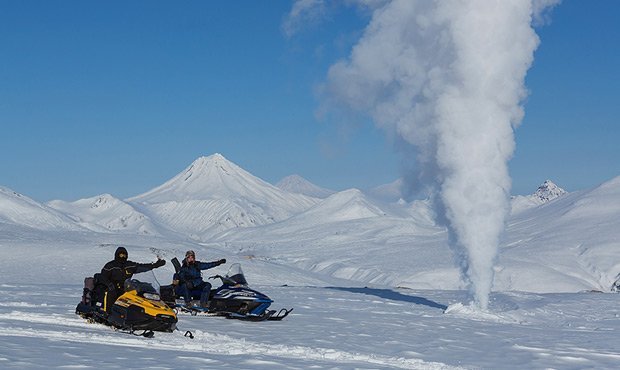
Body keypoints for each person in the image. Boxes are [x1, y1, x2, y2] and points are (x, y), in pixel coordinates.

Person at [99, 246, 166, 313]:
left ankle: (137, 314)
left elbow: (141, 266)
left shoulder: (129, 265)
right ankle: (107, 313)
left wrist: (155, 265)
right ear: (117, 255)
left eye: (124, 255)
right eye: (121, 255)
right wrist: (109, 284)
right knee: (111, 294)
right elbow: (103, 276)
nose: (122, 257)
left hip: (125, 287)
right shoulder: (110, 265)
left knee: (138, 295)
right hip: (112, 287)